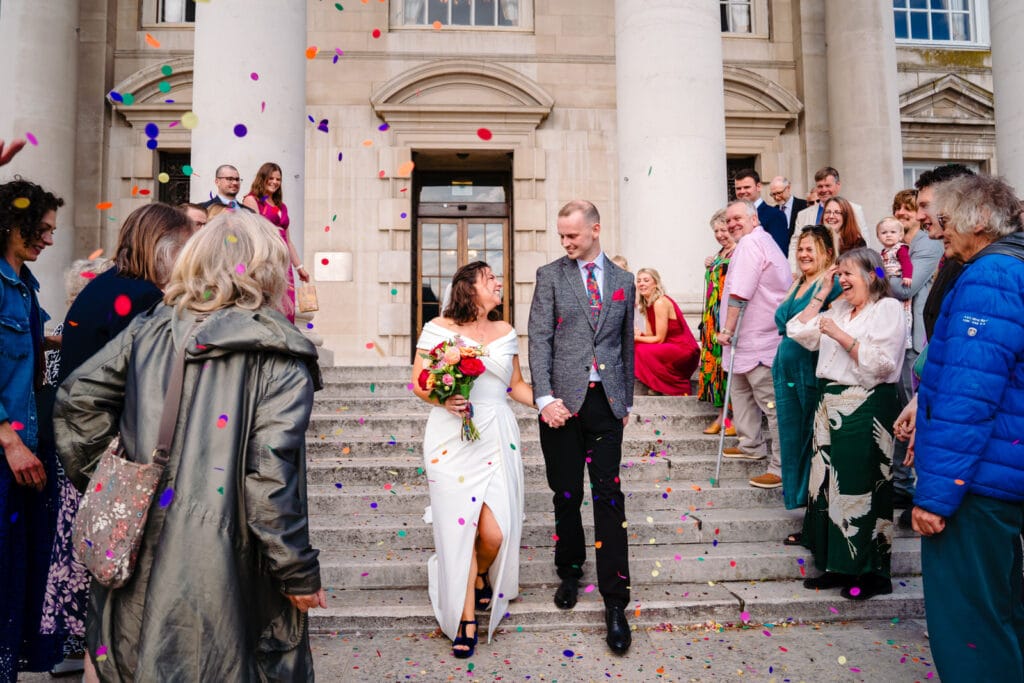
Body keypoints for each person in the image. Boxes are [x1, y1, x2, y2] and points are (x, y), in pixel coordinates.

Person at [53, 211, 325, 682]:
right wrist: (297, 571)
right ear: (266, 266)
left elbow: (78, 402)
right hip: (227, 564)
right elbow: (271, 480)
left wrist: (118, 474)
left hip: (143, 546)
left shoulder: (153, 327)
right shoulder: (280, 353)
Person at [908, 173, 1024, 682]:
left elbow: (969, 395)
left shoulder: (990, 275)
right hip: (996, 469)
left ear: (979, 220)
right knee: (999, 609)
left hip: (977, 482)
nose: (937, 233)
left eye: (946, 221)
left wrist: (935, 496)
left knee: (971, 622)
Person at [528, 199, 635, 655]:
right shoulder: (550, 275)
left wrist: (625, 398)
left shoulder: (625, 281)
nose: (566, 242)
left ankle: (616, 602)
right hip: (562, 406)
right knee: (566, 492)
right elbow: (538, 338)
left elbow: (626, 342)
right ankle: (569, 570)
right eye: (561, 236)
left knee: (609, 496)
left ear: (595, 229)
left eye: (573, 235)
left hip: (606, 404)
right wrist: (544, 398)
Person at [411, 261, 532, 659]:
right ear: (468, 288)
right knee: (460, 530)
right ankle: (465, 619)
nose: (498, 283)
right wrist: (444, 397)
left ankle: (480, 573)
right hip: (450, 438)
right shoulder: (437, 329)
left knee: (495, 533)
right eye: (489, 278)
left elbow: (515, 386)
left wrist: (555, 404)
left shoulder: (506, 331)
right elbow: (419, 383)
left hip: (496, 435)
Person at [787, 247, 906, 601]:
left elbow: (883, 365)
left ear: (872, 275)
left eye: (848, 273)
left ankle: (870, 572)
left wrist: (839, 334)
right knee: (824, 486)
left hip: (866, 404)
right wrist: (822, 293)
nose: (842, 280)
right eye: (839, 274)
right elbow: (798, 330)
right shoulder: (838, 306)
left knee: (860, 487)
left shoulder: (887, 309)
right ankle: (835, 565)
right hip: (830, 402)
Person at [36, 257, 113, 676]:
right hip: (78, 450)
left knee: (70, 544)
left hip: (62, 448)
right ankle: (78, 643)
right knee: (81, 544)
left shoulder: (64, 332)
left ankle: (69, 643)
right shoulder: (76, 335)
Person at [0, 178, 64, 681]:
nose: (48, 238)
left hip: (27, 448)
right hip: (7, 451)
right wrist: (9, 439)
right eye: (40, 229)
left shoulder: (27, 284)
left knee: (17, 577)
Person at [57, 203, 195, 386]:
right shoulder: (143, 298)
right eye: (186, 249)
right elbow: (144, 381)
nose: (191, 259)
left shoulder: (108, 282)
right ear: (163, 249)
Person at [718, 200, 792, 489]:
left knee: (771, 405)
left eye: (737, 218)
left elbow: (740, 292)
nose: (732, 224)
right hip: (746, 339)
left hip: (758, 337)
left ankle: (781, 467)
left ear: (754, 218)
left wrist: (727, 329)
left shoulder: (751, 243)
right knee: (741, 393)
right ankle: (751, 444)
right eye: (728, 220)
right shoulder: (759, 241)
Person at [773, 226, 841, 528]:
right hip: (785, 366)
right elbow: (782, 321)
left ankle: (816, 501)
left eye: (809, 249)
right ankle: (800, 499)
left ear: (827, 252)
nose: (803, 254)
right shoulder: (799, 282)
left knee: (809, 435)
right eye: (800, 249)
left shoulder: (831, 284)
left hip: (809, 367)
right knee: (791, 436)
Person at [243, 162, 310, 323]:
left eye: (278, 179)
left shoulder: (282, 206)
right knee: (269, 301)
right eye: (270, 178)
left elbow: (288, 240)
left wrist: (299, 267)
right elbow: (254, 234)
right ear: (262, 178)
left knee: (286, 303)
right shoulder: (252, 200)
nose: (274, 182)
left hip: (284, 260)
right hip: (267, 258)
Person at [633, 267, 700, 396]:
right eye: (639, 280)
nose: (641, 284)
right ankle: (658, 384)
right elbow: (651, 335)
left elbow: (658, 339)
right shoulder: (648, 304)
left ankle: (671, 387)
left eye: (646, 280)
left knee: (639, 349)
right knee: (634, 346)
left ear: (656, 283)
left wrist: (634, 338)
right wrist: (638, 334)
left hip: (683, 349)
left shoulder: (660, 302)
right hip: (668, 346)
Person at [699, 210, 736, 434]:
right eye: (716, 231)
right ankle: (721, 413)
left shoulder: (738, 252)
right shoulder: (721, 252)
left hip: (725, 316)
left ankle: (731, 417)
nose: (720, 235)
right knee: (715, 366)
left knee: (727, 367)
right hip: (711, 318)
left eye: (723, 230)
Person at [790, 167, 870, 268]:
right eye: (820, 186)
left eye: (828, 185)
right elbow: (795, 245)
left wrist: (879, 275)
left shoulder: (855, 211)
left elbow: (871, 260)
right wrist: (792, 271)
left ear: (838, 186)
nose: (824, 190)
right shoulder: (803, 215)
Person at [877, 216, 914, 348]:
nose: (888, 235)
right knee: (888, 311)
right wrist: (879, 278)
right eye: (884, 233)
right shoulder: (881, 253)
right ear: (878, 237)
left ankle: (904, 339)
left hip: (898, 280)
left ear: (900, 235)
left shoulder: (900, 248)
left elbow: (906, 263)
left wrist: (907, 276)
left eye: (893, 232)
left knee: (903, 313)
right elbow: (878, 268)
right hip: (887, 285)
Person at [733, 168, 789, 256]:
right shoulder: (734, 217)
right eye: (738, 188)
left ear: (758, 187)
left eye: (747, 187)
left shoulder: (775, 215)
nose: (742, 191)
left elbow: (779, 252)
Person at [769, 175, 808, 244]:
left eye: (779, 193)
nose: (777, 197)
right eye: (773, 194)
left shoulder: (804, 206)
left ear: (788, 188)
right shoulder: (772, 212)